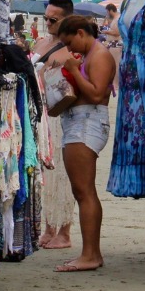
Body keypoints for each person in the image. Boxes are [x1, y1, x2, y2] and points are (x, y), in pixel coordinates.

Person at [53, 14, 117, 272]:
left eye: (70, 43)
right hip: (81, 122)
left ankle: (90, 254)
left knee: (84, 191)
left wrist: (72, 70)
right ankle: (91, 253)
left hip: (86, 123)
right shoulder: (91, 54)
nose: (69, 49)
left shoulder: (100, 55)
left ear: (81, 33)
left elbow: (97, 93)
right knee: (83, 191)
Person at [33, 0, 76, 250]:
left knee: (63, 175)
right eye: (45, 17)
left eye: (53, 19)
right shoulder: (40, 43)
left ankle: (65, 231)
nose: (48, 22)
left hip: (60, 115)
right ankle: (49, 226)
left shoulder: (70, 49)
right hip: (40, 115)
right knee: (46, 175)